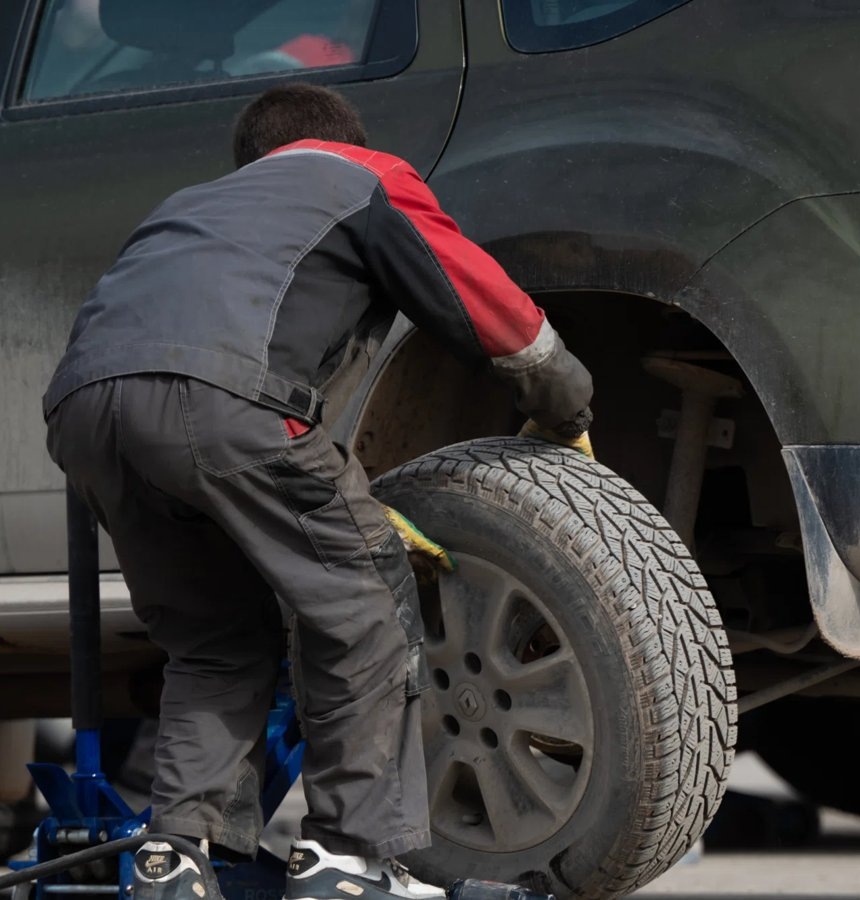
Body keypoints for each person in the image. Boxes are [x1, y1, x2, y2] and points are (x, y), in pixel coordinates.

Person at [42, 83, 593, 900]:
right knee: (362, 606)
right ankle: (348, 857)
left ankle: (173, 859)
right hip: (224, 404)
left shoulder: (194, 205)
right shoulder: (357, 175)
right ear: (341, 139)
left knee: (215, 642)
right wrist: (566, 401)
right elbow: (479, 297)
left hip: (83, 413)